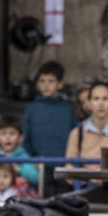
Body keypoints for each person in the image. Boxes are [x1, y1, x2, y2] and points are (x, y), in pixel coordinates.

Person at [21, 61, 77, 194]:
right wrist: (33, 160)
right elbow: (26, 139)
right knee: (45, 205)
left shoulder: (69, 108)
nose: (46, 85)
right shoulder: (32, 109)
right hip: (41, 166)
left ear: (60, 84)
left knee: (66, 203)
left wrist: (72, 160)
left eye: (51, 81)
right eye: (42, 81)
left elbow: (76, 136)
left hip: (65, 165)